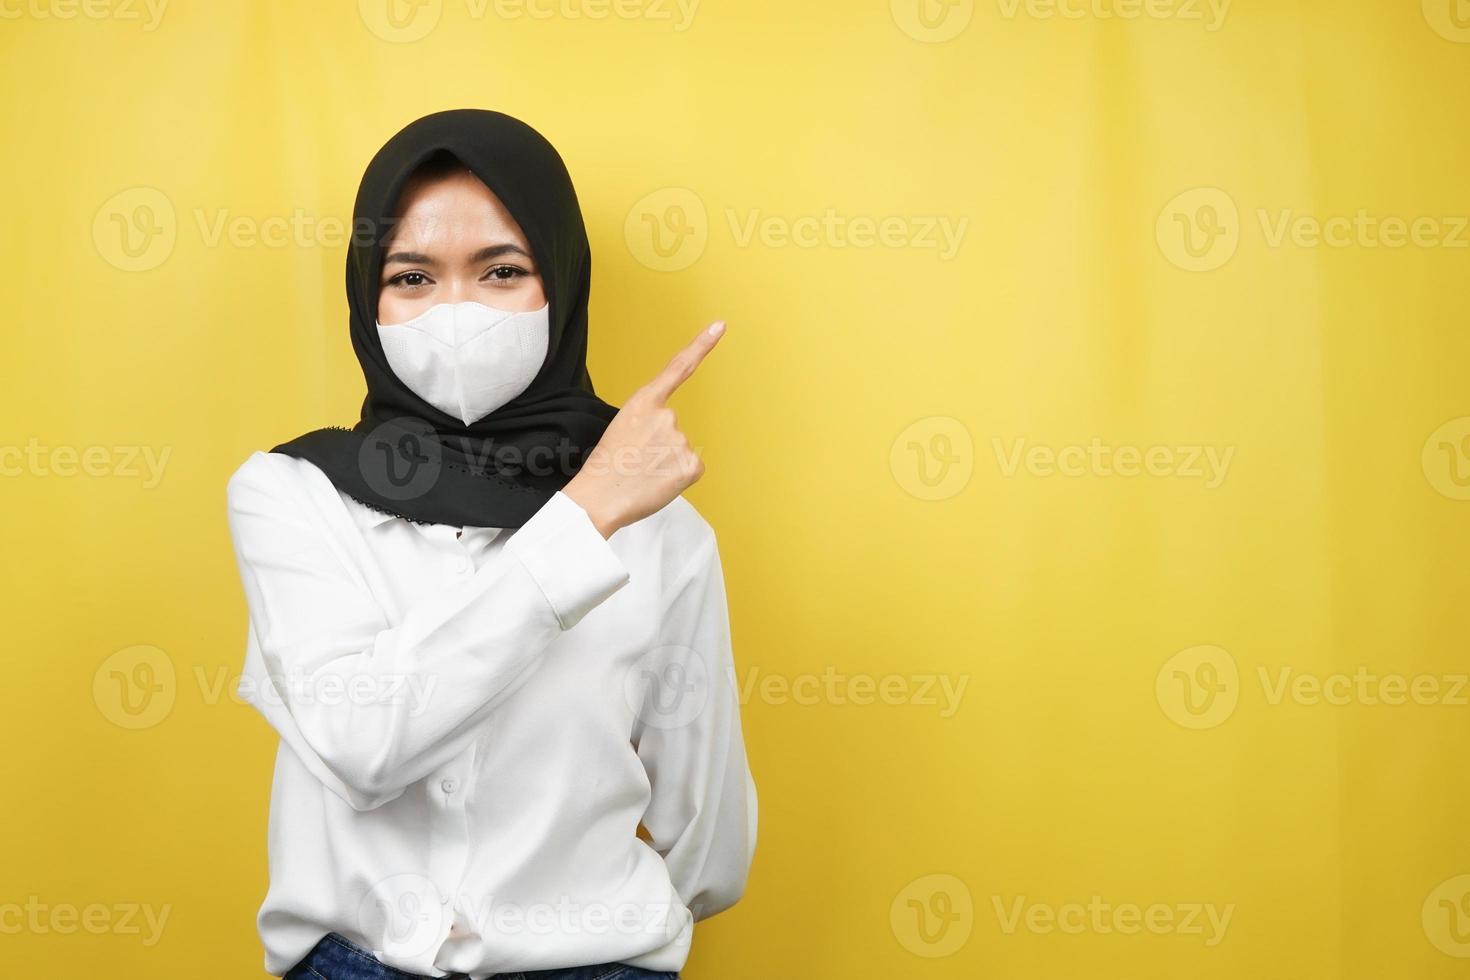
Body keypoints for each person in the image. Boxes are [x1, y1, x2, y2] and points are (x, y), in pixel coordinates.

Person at [224, 108, 757, 980]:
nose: (456, 314)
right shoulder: (291, 494)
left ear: (563, 287)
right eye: (413, 277)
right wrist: (582, 519)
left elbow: (708, 826)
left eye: (503, 270)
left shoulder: (662, 526)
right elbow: (364, 745)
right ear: (368, 298)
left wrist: (605, 937)